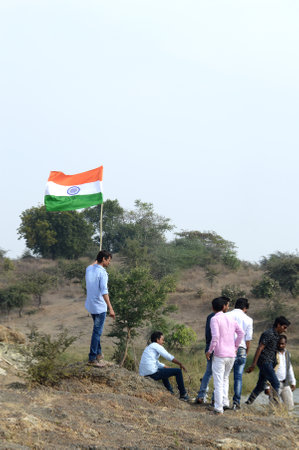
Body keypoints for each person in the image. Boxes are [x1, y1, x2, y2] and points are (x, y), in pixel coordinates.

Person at [206, 298, 244, 415]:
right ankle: (225, 402)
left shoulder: (214, 319)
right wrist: (236, 346)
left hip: (220, 354)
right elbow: (241, 333)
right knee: (225, 378)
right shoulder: (230, 318)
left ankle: (218, 408)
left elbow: (216, 337)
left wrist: (209, 350)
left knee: (218, 381)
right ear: (224, 307)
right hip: (231, 354)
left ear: (213, 308)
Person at [245, 316, 291, 404]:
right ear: (278, 325)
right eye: (284, 327)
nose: (285, 330)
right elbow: (260, 348)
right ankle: (275, 406)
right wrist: (253, 364)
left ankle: (248, 403)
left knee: (261, 386)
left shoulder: (277, 335)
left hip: (269, 362)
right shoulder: (269, 333)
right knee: (276, 383)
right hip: (264, 362)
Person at [195, 297, 230, 404]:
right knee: (219, 374)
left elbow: (208, 334)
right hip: (220, 348)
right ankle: (215, 398)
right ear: (223, 306)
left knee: (208, 372)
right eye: (228, 305)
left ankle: (201, 395)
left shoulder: (210, 317)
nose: (228, 307)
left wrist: (208, 348)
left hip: (209, 345)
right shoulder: (226, 318)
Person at [85, 250, 115, 367]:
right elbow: (104, 291)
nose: (109, 263)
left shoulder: (89, 269)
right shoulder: (103, 273)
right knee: (97, 332)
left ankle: (98, 354)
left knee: (96, 331)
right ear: (104, 259)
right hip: (99, 307)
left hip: (91, 305)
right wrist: (111, 308)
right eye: (108, 260)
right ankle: (92, 358)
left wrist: (98, 258)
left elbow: (93, 264)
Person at [139, 331, 189, 401]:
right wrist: (180, 363)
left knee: (163, 370)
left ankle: (170, 392)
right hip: (152, 374)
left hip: (144, 374)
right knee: (178, 371)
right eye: (162, 339)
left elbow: (154, 361)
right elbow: (168, 356)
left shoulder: (149, 347)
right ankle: (183, 394)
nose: (163, 341)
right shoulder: (156, 346)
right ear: (157, 340)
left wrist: (164, 366)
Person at [226, 298, 253, 410]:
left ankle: (218, 400)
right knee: (238, 377)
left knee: (223, 375)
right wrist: (246, 352)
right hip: (241, 348)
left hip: (227, 347)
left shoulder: (227, 315)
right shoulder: (248, 319)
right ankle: (236, 403)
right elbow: (248, 338)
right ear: (245, 308)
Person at [265, 335, 296, 410]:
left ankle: (287, 421)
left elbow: (289, 368)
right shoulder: (272, 354)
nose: (280, 345)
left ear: (285, 344)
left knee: (290, 407)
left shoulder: (287, 354)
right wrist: (267, 387)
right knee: (273, 408)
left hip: (285, 384)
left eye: (282, 344)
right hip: (274, 385)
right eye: (278, 343)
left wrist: (293, 382)